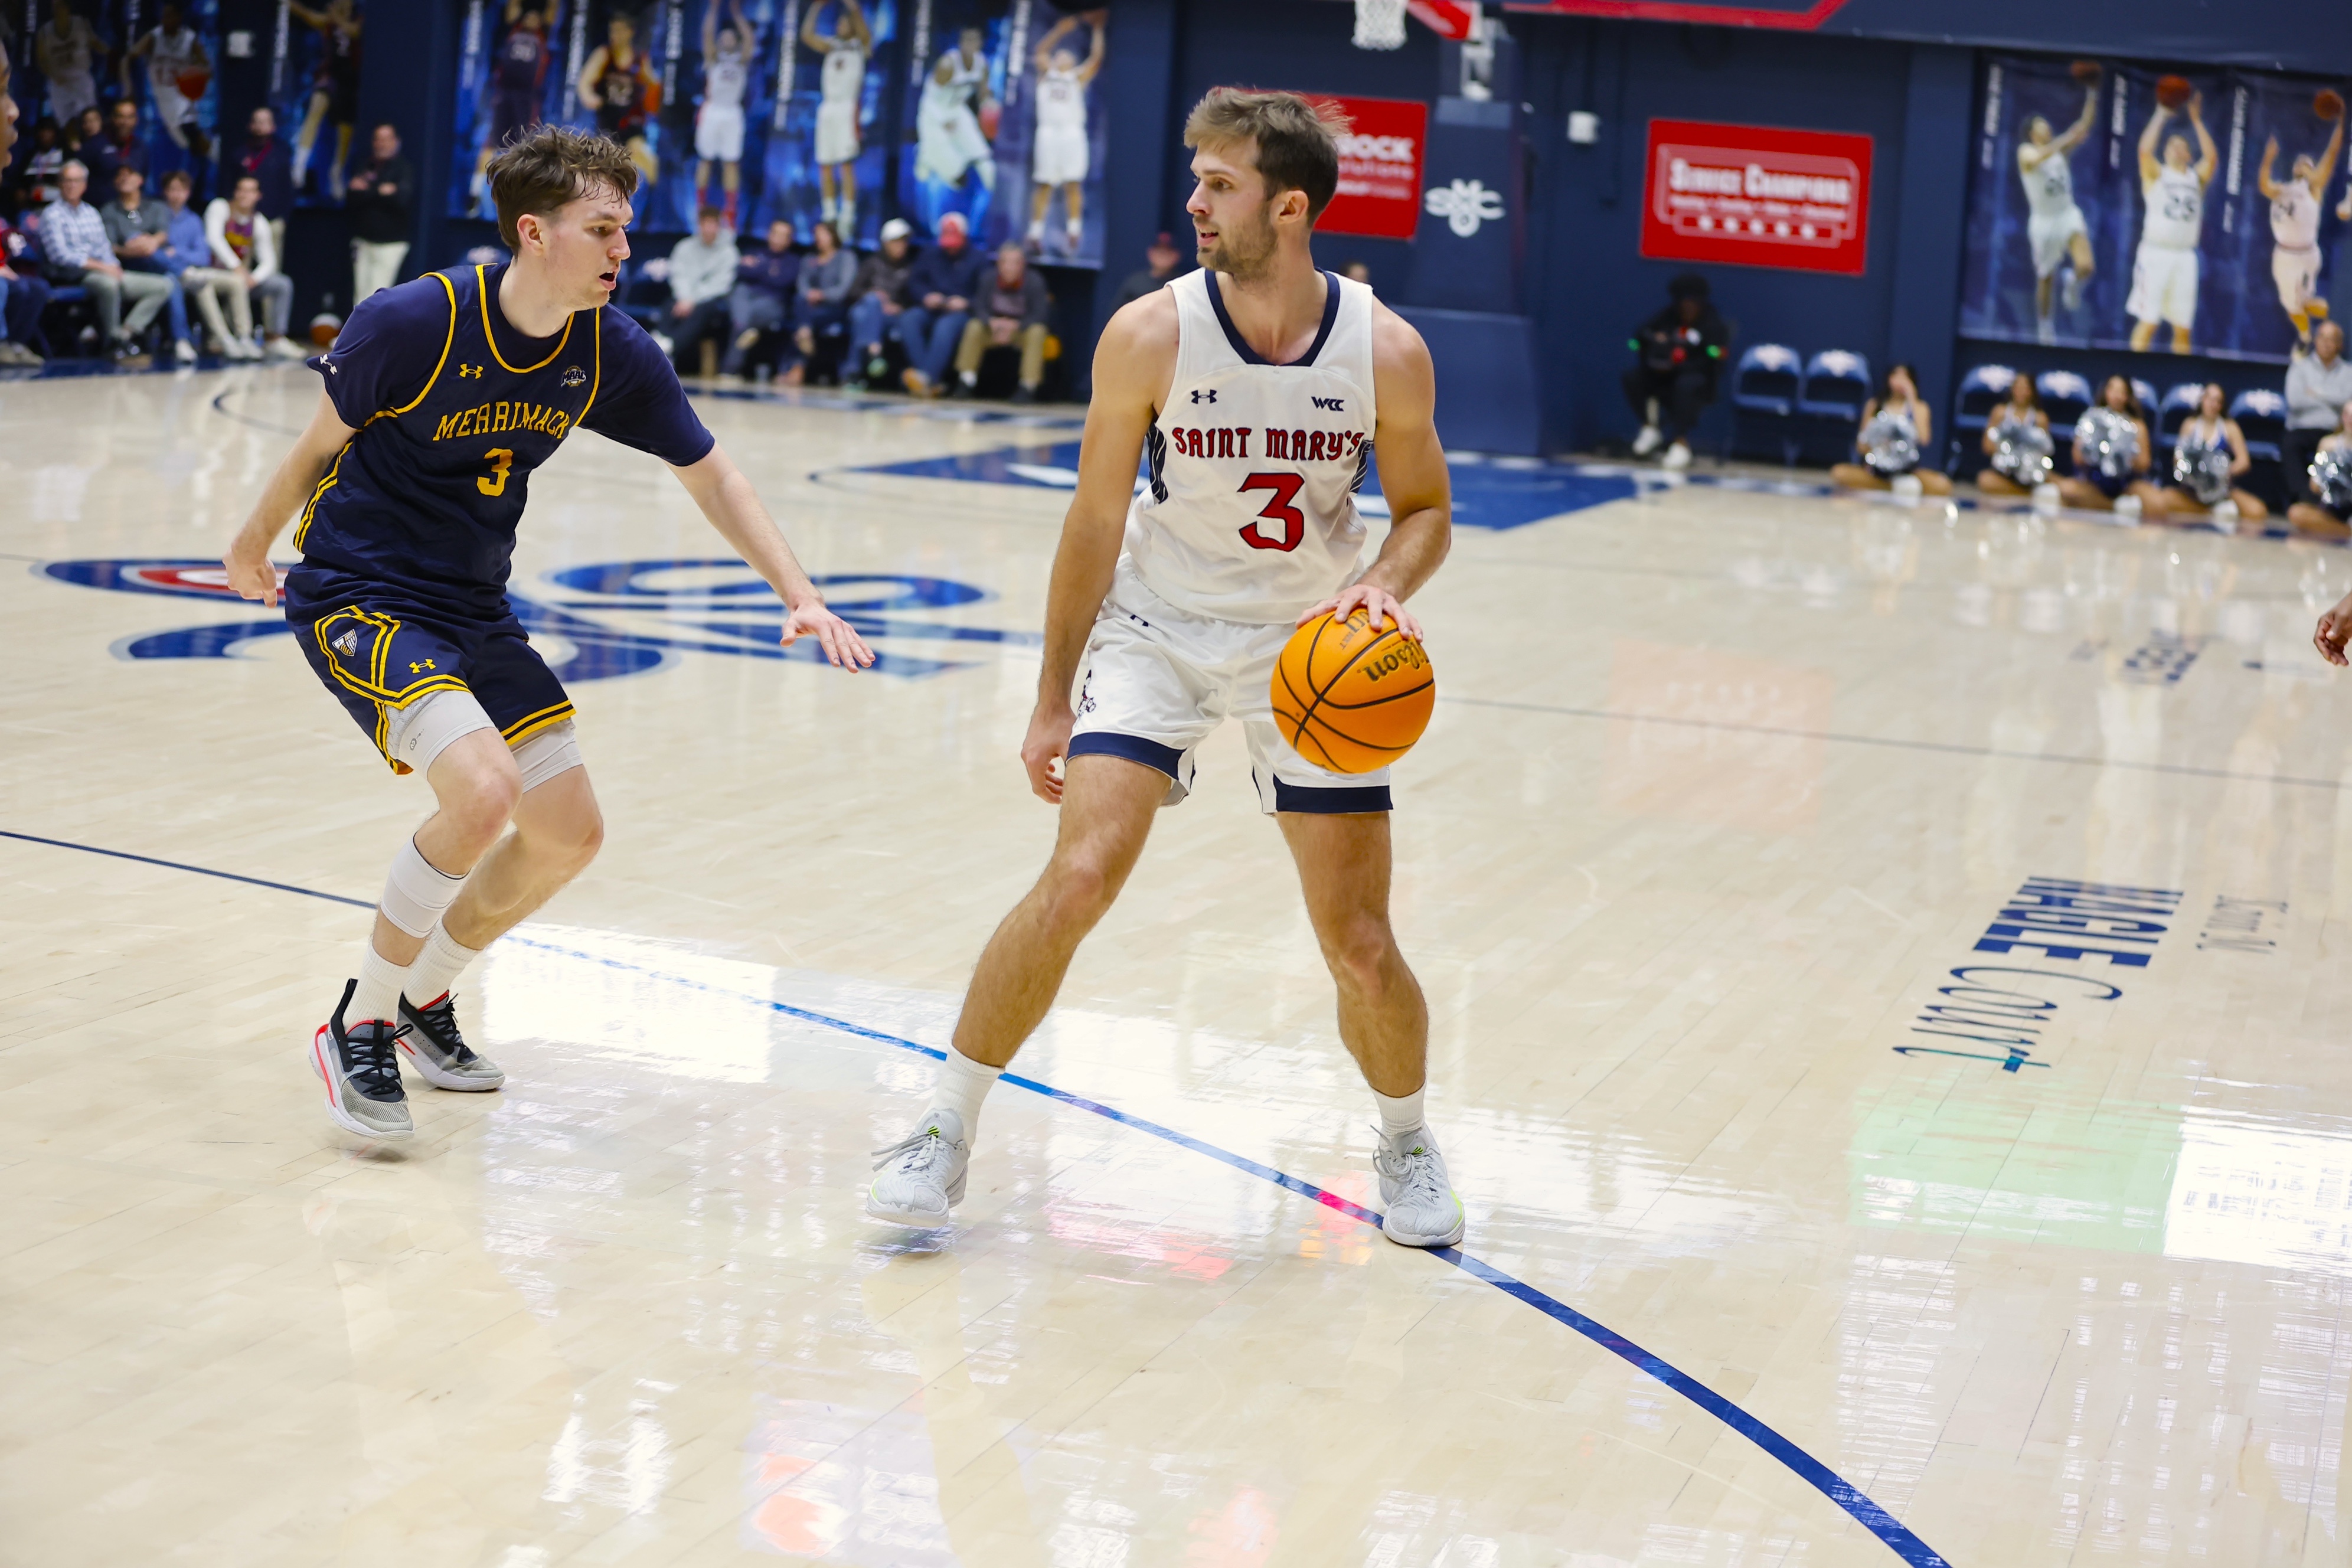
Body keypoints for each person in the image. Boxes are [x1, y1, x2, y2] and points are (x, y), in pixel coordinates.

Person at [863, 88, 1464, 1250]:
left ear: (1288, 208)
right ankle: (942, 1127)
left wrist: (1385, 583)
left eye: (1220, 184)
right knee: (1078, 876)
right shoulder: (1149, 332)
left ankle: (1404, 1138)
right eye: (1197, 179)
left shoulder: (1384, 349)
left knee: (1358, 940)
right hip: (1159, 627)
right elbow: (1094, 521)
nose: (1194, 202)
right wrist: (1051, 696)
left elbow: (1429, 510)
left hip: (1310, 649)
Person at [218, 124, 872, 1143]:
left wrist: (801, 592)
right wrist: (249, 547)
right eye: (602, 228)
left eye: (626, 228)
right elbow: (314, 448)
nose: (624, 249)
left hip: (473, 605)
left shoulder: (608, 348)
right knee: (484, 791)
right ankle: (363, 1018)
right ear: (533, 232)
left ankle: (424, 999)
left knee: (569, 832)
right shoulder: (416, 321)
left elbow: (712, 474)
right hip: (361, 592)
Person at [43, 160, 174, 361]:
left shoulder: (91, 212)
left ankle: (124, 335)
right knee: (108, 284)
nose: (71, 186)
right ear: (60, 184)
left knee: (162, 286)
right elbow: (60, 256)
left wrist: (113, 265)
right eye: (67, 181)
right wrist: (103, 267)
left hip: (102, 269)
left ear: (85, 185)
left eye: (77, 181)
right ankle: (112, 340)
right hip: (72, 275)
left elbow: (104, 247)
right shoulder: (52, 215)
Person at [2127, 91, 2215, 355]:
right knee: (2149, 322)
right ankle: (2128, 374)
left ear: (2188, 155)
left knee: (2183, 328)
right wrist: (2160, 115)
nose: (2176, 148)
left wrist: (2197, 122)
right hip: (2156, 253)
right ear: (2165, 153)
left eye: (2181, 146)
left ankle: (2181, 376)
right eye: (2171, 145)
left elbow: (2212, 159)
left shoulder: (2196, 179)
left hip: (2185, 257)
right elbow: (2144, 151)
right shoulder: (2157, 174)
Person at [2017, 68, 2098, 344]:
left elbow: (2083, 126)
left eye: (2046, 125)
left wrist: (2092, 93)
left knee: (2087, 265)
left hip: (2067, 214)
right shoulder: (2026, 152)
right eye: (2041, 126)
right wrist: (2066, 138)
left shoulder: (2057, 151)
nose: (2047, 128)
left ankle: (2073, 281)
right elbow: (2036, 160)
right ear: (2032, 133)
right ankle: (2044, 326)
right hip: (2044, 222)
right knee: (2045, 278)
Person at [2258, 99, 2343, 350]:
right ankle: (2306, 337)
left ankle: (2341, 313)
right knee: (2290, 305)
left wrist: (2340, 126)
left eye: (2308, 162)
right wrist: (2268, 159)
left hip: (2303, 255)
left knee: (2302, 303)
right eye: (2300, 161)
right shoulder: (2282, 189)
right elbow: (2264, 185)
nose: (2302, 163)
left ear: (2313, 170)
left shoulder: (2314, 189)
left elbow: (2331, 155)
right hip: (2282, 253)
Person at [1623, 272, 1726, 471]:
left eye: (1692, 303)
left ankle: (1680, 442)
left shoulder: (1712, 322)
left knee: (1685, 386)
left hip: (1696, 379)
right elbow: (1640, 336)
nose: (1687, 307)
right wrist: (1656, 339)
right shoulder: (1667, 316)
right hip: (1664, 377)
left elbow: (1716, 354)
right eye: (1683, 302)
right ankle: (1649, 428)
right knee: (1633, 378)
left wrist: (1690, 353)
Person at [100, 162, 197, 364]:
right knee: (136, 239)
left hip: (155, 264)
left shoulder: (155, 207)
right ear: (115, 182)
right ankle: (184, 273)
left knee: (170, 281)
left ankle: (181, 341)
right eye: (120, 175)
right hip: (127, 265)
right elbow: (111, 247)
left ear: (141, 179)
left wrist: (151, 242)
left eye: (130, 174)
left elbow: (163, 234)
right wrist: (133, 248)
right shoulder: (109, 211)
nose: (125, 178)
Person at [1024, 14, 1102, 258]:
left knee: (1073, 183)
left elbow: (1096, 59)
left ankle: (1074, 232)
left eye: (1067, 56)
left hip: (1071, 134)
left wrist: (1098, 30)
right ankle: (1035, 234)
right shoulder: (1046, 73)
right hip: (1048, 133)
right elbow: (1040, 51)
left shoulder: (1077, 78)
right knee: (1044, 184)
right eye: (1059, 55)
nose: (1062, 57)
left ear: (1073, 62)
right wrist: (1059, 31)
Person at [156, 168, 254, 359]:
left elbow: (203, 257)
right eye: (172, 190)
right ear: (165, 192)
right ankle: (223, 339)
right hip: (173, 274)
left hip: (197, 271)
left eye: (181, 190)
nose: (177, 195)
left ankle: (244, 337)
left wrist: (178, 252)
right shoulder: (156, 215)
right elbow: (157, 254)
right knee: (203, 286)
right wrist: (179, 260)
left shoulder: (193, 220)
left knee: (237, 281)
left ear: (188, 193)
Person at [206, 171, 306, 360]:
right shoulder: (220, 208)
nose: (245, 195)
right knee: (237, 282)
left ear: (258, 196)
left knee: (281, 284)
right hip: (215, 274)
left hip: (242, 278)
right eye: (242, 190)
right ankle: (238, 337)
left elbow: (269, 261)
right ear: (235, 192)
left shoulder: (259, 222)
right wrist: (236, 267)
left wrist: (254, 279)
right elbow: (214, 239)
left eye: (250, 191)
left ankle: (275, 338)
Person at [2151, 381, 2266, 526]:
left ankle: (2215, 508)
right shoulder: (2190, 425)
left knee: (2257, 511)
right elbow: (2178, 457)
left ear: (2222, 405)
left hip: (2222, 491)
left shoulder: (2230, 427)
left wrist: (2223, 473)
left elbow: (2244, 462)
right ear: (2202, 401)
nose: (2213, 404)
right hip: (2193, 492)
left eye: (2218, 401)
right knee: (2163, 500)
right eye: (2209, 399)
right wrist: (2193, 474)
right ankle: (2206, 512)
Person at [473, 0, 550, 213]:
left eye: (536, 17)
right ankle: (475, 192)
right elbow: (513, 8)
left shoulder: (543, 35)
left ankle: (519, 196)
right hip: (504, 94)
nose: (532, 20)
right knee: (491, 143)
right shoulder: (513, 28)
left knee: (523, 147)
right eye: (529, 16)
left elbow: (552, 11)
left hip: (526, 99)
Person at [1828, 362, 1952, 495]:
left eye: (1905, 378)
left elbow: (1924, 439)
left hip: (1906, 471)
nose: (1900, 382)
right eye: (1896, 376)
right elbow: (1861, 446)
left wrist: (1912, 398)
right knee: (1839, 473)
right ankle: (1889, 487)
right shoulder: (1874, 405)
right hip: (1876, 471)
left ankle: (1894, 486)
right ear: (1888, 379)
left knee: (1942, 485)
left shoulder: (1920, 408)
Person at [801, 0, 870, 233]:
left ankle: (848, 214)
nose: (841, 26)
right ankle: (829, 213)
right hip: (828, 107)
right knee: (825, 163)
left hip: (847, 108)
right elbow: (807, 36)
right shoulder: (831, 45)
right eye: (839, 23)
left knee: (846, 164)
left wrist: (853, 8)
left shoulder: (860, 46)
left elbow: (862, 27)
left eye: (845, 23)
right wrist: (816, 7)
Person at [898, 208, 981, 396]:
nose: (950, 248)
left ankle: (926, 378)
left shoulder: (978, 259)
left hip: (961, 313)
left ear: (964, 237)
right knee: (909, 319)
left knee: (946, 326)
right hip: (932, 308)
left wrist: (966, 303)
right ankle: (927, 379)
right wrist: (926, 296)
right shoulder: (930, 253)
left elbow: (984, 294)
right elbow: (915, 282)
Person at [952, 240, 1048, 401]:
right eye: (1005, 262)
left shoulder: (1035, 282)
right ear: (999, 264)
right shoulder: (988, 278)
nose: (1009, 267)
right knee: (974, 326)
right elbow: (978, 306)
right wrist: (991, 322)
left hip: (1020, 331)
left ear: (1022, 265)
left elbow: (1041, 314)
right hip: (993, 329)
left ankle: (1027, 387)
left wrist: (1017, 325)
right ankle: (966, 381)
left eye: (1014, 263)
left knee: (1037, 332)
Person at [286, 0, 363, 199]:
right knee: (316, 109)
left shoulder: (358, 19)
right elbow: (309, 16)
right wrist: (293, 6)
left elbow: (354, 32)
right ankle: (299, 164)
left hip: (350, 79)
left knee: (346, 128)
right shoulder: (329, 22)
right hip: (330, 75)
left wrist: (335, 17)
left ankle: (337, 171)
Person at [2056, 374, 2160, 515]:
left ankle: (2113, 505)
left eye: (2122, 392)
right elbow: (2077, 457)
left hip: (2127, 485)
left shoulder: (2137, 425)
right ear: (2105, 392)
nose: (2117, 396)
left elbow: (2145, 464)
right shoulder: (2090, 419)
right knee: (2066, 490)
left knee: (2155, 502)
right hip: (2096, 485)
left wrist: (2124, 457)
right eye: (2113, 390)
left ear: (2128, 397)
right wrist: (2096, 454)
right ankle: (2112, 506)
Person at [913, 27, 995, 202]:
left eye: (975, 41)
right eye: (967, 41)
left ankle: (996, 197)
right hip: (934, 113)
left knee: (983, 158)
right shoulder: (947, 65)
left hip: (958, 110)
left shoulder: (982, 64)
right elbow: (930, 97)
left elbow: (983, 94)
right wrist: (943, 120)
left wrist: (989, 104)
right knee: (958, 178)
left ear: (980, 44)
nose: (971, 45)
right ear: (961, 44)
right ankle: (925, 154)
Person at [577, 14, 658, 185]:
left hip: (631, 123)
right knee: (605, 167)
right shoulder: (603, 54)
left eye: (620, 31)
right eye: (612, 31)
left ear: (630, 32)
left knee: (648, 161)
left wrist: (654, 98)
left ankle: (650, 198)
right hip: (607, 123)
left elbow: (654, 86)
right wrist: (589, 97)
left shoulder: (640, 59)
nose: (615, 35)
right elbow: (584, 83)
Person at [124, 3, 211, 160]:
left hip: (182, 101)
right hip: (158, 101)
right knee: (159, 145)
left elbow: (207, 69)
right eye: (164, 16)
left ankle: (207, 163)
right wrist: (128, 86)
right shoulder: (153, 37)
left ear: (179, 18)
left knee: (192, 142)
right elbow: (127, 59)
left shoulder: (190, 39)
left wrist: (193, 77)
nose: (165, 19)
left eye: (170, 15)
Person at [694, 0, 753, 227]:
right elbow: (707, 33)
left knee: (731, 162)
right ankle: (700, 206)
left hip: (732, 113)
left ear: (735, 42)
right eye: (723, 38)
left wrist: (737, 14)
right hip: (713, 111)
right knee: (706, 159)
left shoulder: (742, 60)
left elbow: (749, 39)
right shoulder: (713, 58)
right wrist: (714, 9)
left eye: (730, 37)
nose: (726, 40)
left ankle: (731, 210)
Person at [665, 203, 739, 374]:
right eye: (706, 224)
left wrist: (692, 300)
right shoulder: (684, 247)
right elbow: (679, 276)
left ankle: (669, 347)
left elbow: (720, 285)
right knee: (669, 306)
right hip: (683, 298)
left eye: (713, 224)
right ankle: (661, 344)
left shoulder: (729, 252)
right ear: (699, 225)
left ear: (719, 226)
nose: (709, 229)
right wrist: (684, 298)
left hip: (712, 302)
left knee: (702, 311)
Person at [347, 123, 413, 303]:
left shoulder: (403, 169)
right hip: (363, 242)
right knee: (360, 299)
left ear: (396, 142)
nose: (381, 144)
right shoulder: (366, 165)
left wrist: (368, 190)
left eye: (386, 139)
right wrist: (381, 191)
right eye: (378, 139)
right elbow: (352, 197)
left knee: (377, 298)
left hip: (390, 245)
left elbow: (401, 200)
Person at [726, 217, 801, 378]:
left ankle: (730, 369)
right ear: (769, 235)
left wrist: (758, 268)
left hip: (772, 304)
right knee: (740, 291)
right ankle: (743, 329)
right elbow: (740, 272)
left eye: (783, 235)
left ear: (790, 240)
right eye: (775, 233)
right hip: (747, 298)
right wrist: (768, 270)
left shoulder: (793, 262)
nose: (778, 239)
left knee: (743, 319)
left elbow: (782, 282)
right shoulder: (755, 252)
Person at [846, 215, 915, 385]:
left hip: (891, 316)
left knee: (863, 318)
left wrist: (898, 307)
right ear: (886, 243)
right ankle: (874, 351)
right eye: (896, 242)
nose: (901, 246)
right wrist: (874, 295)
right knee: (870, 305)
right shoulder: (871, 263)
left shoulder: (910, 268)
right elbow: (853, 293)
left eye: (904, 242)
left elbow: (913, 298)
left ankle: (853, 372)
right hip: (867, 309)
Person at [2286, 321, 2352, 491]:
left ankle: (2337, 498)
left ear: (2340, 345)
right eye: (2322, 337)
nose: (2326, 343)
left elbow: (2347, 400)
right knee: (2290, 445)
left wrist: (2316, 393)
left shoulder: (2348, 372)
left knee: (2338, 446)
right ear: (2315, 340)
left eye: (2331, 339)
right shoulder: (2300, 368)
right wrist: (2333, 400)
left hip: (2334, 430)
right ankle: (2304, 497)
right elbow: (2295, 401)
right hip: (2302, 429)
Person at [790, 217, 855, 372]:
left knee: (802, 321)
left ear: (834, 236)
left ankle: (797, 367)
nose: (818, 238)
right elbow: (802, 284)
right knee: (799, 301)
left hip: (835, 308)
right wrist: (810, 294)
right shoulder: (809, 259)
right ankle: (804, 336)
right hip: (810, 306)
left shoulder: (846, 257)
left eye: (823, 234)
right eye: (816, 234)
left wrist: (822, 295)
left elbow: (843, 290)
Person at [232, 107, 295, 263]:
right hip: (242, 222)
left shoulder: (281, 156)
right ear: (250, 125)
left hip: (272, 221)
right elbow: (229, 186)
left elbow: (287, 190)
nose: (260, 126)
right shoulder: (240, 154)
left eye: (265, 122)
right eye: (257, 122)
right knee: (239, 266)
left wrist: (283, 219)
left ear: (273, 127)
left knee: (270, 267)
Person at [1974, 374, 2052, 495]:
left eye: (2025, 389)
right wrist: (2009, 455)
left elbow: (2045, 451)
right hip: (2005, 471)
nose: (2021, 392)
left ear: (2032, 392)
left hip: (2031, 472)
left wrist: (2026, 459)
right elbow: (1987, 446)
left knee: (2052, 481)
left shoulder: (2040, 418)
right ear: (2012, 389)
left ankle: (2026, 490)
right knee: (1985, 480)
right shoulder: (1999, 412)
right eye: (2018, 388)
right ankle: (2024, 494)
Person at [34, 5, 103, 128]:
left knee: (90, 118)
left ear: (67, 9)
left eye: (60, 7)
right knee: (66, 124)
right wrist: (52, 75)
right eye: (55, 8)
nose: (58, 10)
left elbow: (95, 42)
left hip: (81, 79)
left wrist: (110, 53)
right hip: (59, 83)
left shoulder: (81, 23)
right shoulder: (45, 31)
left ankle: (94, 141)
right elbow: (42, 60)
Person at [2291, 399, 2352, 538]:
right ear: (2342, 417)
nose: (2351, 420)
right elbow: (2314, 485)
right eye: (2347, 415)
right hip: (2332, 508)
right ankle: (2345, 531)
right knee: (2297, 513)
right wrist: (2332, 487)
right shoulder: (2328, 444)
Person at [79, 96, 145, 193]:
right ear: (112, 118)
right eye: (121, 117)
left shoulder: (141, 147)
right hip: (99, 202)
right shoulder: (94, 145)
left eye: (130, 117)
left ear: (136, 120)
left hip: (130, 202)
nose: (125, 122)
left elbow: (143, 179)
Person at [1112, 230, 1184, 311]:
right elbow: (1117, 314)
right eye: (1159, 251)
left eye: (1168, 252)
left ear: (1177, 256)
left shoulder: (1182, 285)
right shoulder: (1135, 283)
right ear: (1150, 253)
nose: (1162, 255)